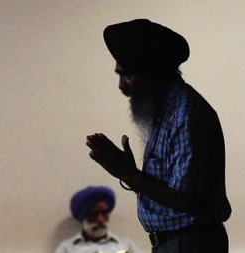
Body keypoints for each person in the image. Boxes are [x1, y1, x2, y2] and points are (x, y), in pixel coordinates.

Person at [86, 19, 232, 253]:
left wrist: (128, 173)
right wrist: (131, 176)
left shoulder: (185, 115)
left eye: (127, 75)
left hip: (189, 244)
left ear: (152, 73)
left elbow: (186, 199)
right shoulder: (165, 113)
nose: (121, 86)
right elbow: (167, 194)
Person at [54, 185, 140, 253]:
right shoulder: (67, 249)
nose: (100, 220)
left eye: (104, 213)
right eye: (94, 214)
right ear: (83, 216)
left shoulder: (126, 245)